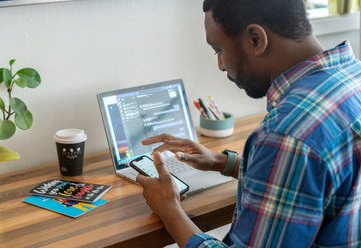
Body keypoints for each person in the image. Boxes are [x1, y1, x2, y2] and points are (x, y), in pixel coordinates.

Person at [136, 0, 361, 247]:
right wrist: (222, 162)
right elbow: (317, 182)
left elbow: (297, 152)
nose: (220, 65)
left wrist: (170, 210)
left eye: (218, 50)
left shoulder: (287, 134)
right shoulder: (352, 78)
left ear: (256, 39)